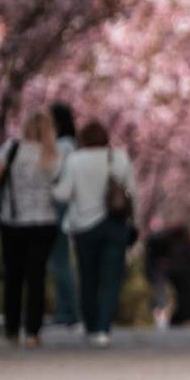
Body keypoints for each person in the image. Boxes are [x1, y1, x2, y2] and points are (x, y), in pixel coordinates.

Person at [53, 119, 137, 347]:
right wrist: (134, 221)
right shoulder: (119, 157)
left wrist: (50, 186)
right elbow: (132, 192)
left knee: (88, 278)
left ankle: (91, 326)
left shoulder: (75, 160)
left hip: (84, 227)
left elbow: (62, 194)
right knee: (111, 279)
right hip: (115, 225)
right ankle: (103, 328)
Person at [0, 111, 63, 347]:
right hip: (44, 221)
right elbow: (60, 187)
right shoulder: (54, 154)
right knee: (37, 277)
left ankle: (11, 329)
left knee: (13, 276)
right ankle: (33, 332)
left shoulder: (12, 148)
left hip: (12, 222)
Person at [46, 102, 80, 327]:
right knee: (60, 261)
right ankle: (65, 310)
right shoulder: (71, 145)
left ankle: (68, 312)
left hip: (58, 205)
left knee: (59, 261)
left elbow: (53, 172)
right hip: (64, 205)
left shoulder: (63, 146)